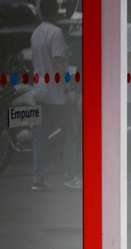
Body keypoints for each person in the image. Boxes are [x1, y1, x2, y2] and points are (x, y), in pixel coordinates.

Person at [31, 0, 77, 190]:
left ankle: (38, 178)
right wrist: (68, 87)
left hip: (39, 91)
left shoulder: (36, 33)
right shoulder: (55, 33)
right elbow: (59, 61)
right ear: (55, 12)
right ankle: (70, 175)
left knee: (40, 136)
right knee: (71, 132)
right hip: (56, 94)